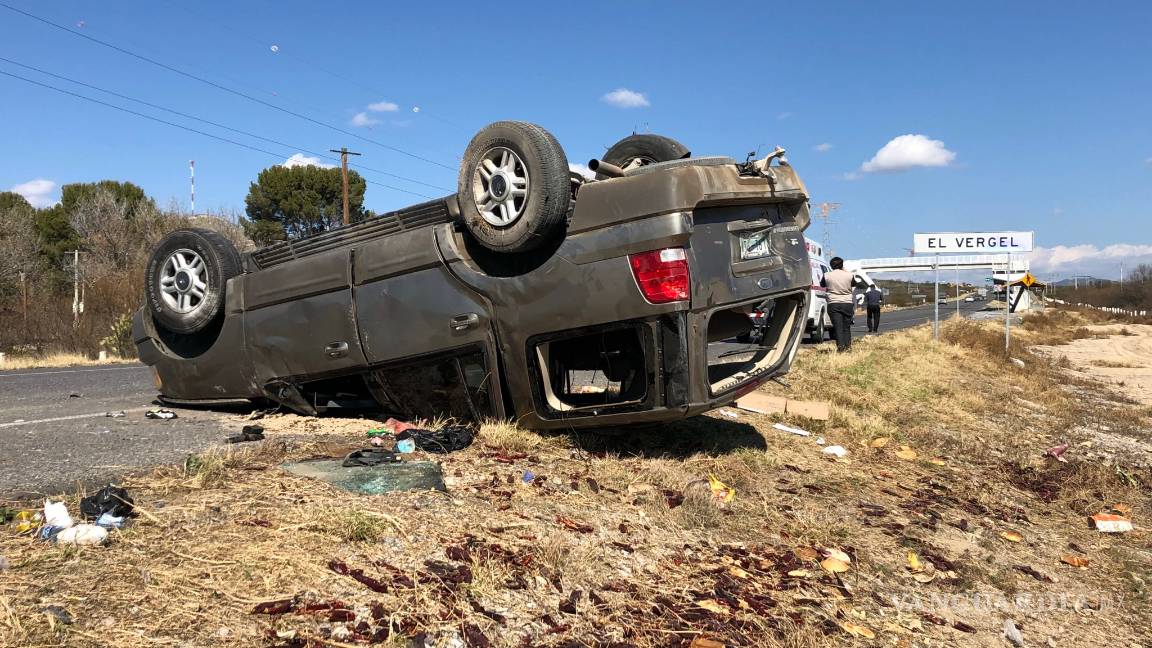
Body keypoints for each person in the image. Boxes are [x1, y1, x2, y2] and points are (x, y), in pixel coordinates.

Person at [820, 257, 863, 352]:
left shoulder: (827, 275)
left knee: (838, 327)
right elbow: (854, 284)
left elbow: (822, 285)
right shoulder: (849, 275)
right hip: (847, 303)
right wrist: (845, 271)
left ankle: (841, 348)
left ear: (831, 265)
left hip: (833, 303)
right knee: (846, 327)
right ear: (842, 265)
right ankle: (848, 347)